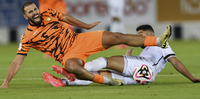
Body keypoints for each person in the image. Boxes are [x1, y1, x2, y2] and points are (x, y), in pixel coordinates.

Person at [0, 2, 171, 88]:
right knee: (73, 66)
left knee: (116, 36)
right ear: (25, 17)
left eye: (35, 9)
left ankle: (156, 40)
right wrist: (6, 82)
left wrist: (86, 26)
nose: (35, 13)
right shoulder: (27, 38)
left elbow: (66, 18)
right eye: (30, 12)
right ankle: (106, 81)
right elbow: (17, 62)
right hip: (67, 54)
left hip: (79, 40)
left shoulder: (49, 13)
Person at [42, 25, 200, 87]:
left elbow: (176, 62)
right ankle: (64, 82)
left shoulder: (163, 45)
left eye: (141, 34)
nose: (138, 36)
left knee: (105, 61)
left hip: (143, 67)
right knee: (98, 75)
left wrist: (191, 78)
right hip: (144, 77)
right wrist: (128, 57)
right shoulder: (147, 50)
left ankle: (71, 71)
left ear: (150, 34)